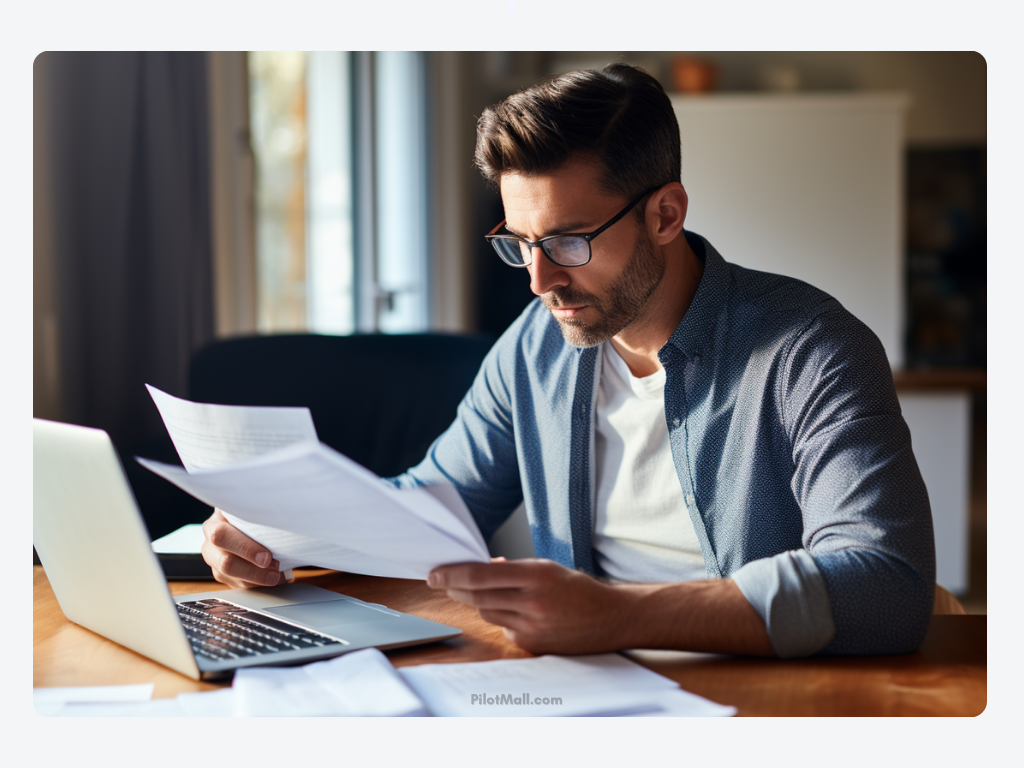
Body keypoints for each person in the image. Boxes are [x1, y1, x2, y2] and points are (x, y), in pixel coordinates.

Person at [201, 64, 935, 659]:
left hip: (763, 700)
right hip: (588, 696)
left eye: (568, 241)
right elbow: (433, 502)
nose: (539, 280)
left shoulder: (810, 350)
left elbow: (886, 585)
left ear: (665, 214)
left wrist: (619, 618)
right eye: (520, 242)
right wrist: (280, 534)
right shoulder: (535, 343)